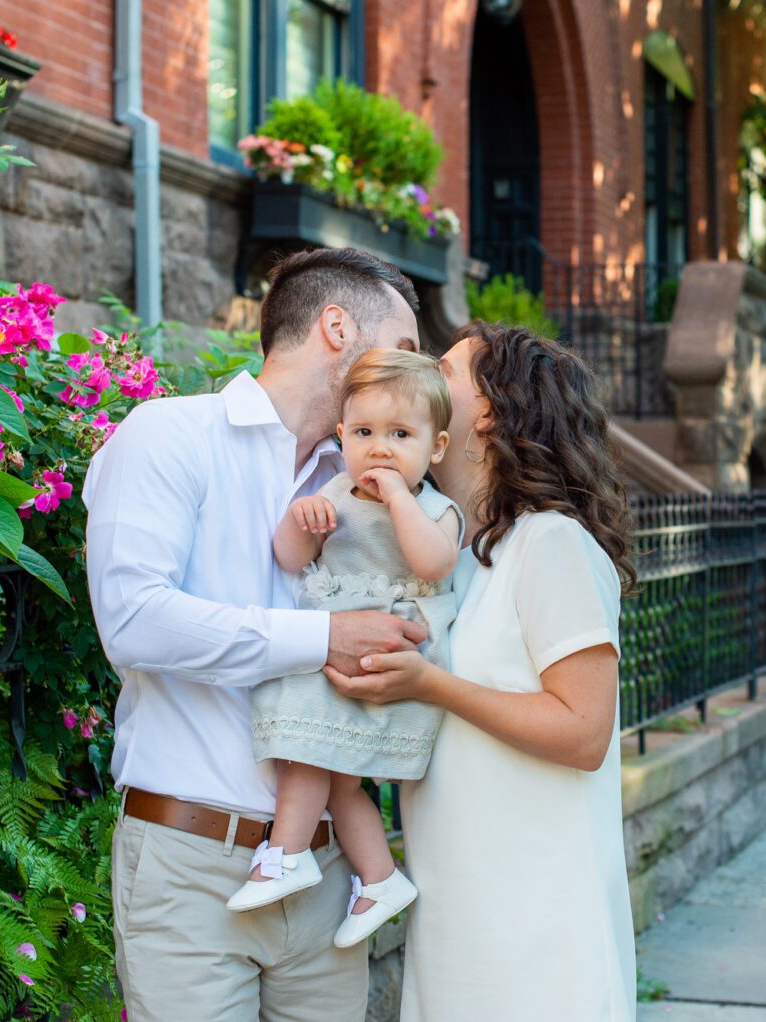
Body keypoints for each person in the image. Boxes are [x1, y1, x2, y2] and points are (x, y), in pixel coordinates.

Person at [82, 247, 425, 1022]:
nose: (414, 372)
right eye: (403, 347)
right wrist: (324, 637)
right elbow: (134, 620)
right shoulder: (170, 435)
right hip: (191, 865)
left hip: (329, 869)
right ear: (337, 327)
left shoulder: (369, 482)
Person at [325, 321, 640, 1020]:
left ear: (491, 414)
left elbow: (585, 731)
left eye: (443, 370)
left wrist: (430, 685)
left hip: (538, 921)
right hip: (457, 907)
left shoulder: (551, 542)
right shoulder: (450, 554)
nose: (420, 376)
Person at [229, 349, 462, 956]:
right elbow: (290, 558)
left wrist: (399, 498)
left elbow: (433, 564)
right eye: (363, 433)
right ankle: (380, 879)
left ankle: (285, 855)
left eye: (400, 435)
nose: (380, 449)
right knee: (337, 784)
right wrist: (301, 520)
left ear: (436, 448)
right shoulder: (334, 491)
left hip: (390, 653)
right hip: (336, 651)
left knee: (306, 751)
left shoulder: (435, 509)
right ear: (341, 436)